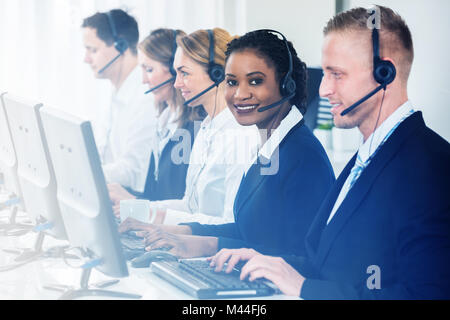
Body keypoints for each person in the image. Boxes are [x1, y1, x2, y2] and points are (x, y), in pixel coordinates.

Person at [209, 6, 450, 299]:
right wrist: (271, 263)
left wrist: (303, 287)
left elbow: (425, 295)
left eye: (337, 74)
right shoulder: (366, 159)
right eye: (325, 74)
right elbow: (331, 268)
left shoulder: (432, 168)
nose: (323, 89)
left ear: (384, 73)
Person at [119, 30, 335, 259]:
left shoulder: (300, 156)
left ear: (286, 85)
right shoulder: (268, 144)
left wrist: (202, 244)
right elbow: (247, 231)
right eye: (232, 82)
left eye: (255, 81)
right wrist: (180, 234)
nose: (239, 94)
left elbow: (300, 255)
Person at [119, 28, 259, 226]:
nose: (176, 84)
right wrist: (134, 211)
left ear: (217, 73)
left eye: (184, 73)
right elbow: (190, 206)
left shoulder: (242, 134)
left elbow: (230, 224)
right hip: (193, 248)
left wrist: (156, 218)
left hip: (215, 252)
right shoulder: (206, 128)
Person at [107, 28, 205, 213]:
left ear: (174, 70)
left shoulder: (197, 129)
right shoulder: (164, 122)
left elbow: (188, 206)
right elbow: (157, 196)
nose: (144, 80)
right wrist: (127, 200)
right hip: (157, 231)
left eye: (149, 70)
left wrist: (133, 201)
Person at [82, 9, 156, 192]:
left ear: (121, 46)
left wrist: (83, 174)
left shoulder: (145, 97)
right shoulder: (116, 92)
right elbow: (103, 154)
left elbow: (132, 171)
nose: (86, 59)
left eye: (93, 50)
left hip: (131, 200)